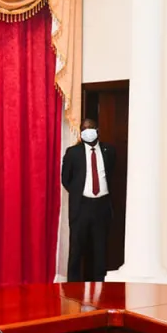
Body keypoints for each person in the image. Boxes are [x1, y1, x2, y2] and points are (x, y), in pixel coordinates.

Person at [62, 118, 116, 282]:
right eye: (84, 128)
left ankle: (99, 286)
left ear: (97, 130)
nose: (88, 130)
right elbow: (66, 179)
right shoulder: (73, 152)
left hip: (101, 206)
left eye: (91, 127)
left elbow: (111, 173)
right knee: (77, 249)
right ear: (81, 132)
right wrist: (80, 192)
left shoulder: (109, 151)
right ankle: (73, 288)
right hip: (81, 207)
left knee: (100, 249)